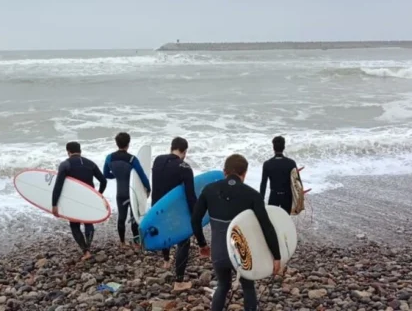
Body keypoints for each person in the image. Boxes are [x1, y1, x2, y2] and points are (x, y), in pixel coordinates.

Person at [191, 154, 281, 311]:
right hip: (241, 252)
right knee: (248, 287)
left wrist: (202, 244)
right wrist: (277, 256)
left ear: (224, 171)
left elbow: (194, 220)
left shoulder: (209, 190)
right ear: (244, 173)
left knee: (223, 285)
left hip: (219, 252)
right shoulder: (253, 195)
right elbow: (266, 227)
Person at [151, 136, 196, 291]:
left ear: (171, 147)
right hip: (175, 210)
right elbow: (191, 196)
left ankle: (166, 260)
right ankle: (179, 282)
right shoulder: (184, 167)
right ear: (184, 151)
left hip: (157, 208)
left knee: (165, 234)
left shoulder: (157, 160)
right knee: (184, 241)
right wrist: (194, 218)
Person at [51, 141, 107, 261]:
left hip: (73, 200)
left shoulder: (65, 165)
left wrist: (54, 204)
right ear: (80, 151)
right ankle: (88, 246)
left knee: (74, 225)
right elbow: (103, 181)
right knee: (88, 222)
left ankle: (85, 251)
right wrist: (99, 195)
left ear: (68, 152)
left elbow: (58, 186)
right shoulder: (90, 163)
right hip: (88, 198)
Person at [103, 132, 151, 248]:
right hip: (132, 193)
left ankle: (122, 242)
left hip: (120, 193)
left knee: (121, 218)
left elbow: (106, 174)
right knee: (134, 217)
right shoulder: (132, 159)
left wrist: (116, 175)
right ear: (128, 144)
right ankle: (136, 243)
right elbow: (141, 175)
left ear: (117, 143)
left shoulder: (109, 158)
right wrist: (148, 188)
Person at [259, 136, 301, 213]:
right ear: (284, 147)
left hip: (274, 196)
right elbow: (298, 183)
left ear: (273, 148)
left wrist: (261, 200)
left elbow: (263, 184)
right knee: (285, 218)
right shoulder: (291, 163)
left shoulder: (267, 164)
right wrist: (299, 199)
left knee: (273, 220)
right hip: (287, 196)